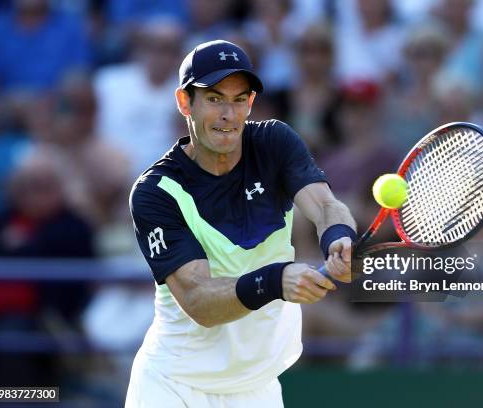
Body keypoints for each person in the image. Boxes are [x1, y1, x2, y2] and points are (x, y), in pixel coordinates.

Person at [125, 40, 356, 407]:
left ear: (250, 103)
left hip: (257, 388)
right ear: (185, 103)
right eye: (214, 99)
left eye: (238, 99)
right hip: (174, 387)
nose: (228, 114)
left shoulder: (275, 142)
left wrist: (338, 237)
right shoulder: (157, 191)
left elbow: (326, 204)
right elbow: (200, 301)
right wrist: (276, 280)